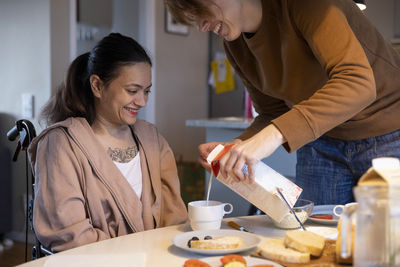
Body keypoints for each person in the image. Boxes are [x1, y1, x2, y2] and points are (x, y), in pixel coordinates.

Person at [165, 0, 400, 205]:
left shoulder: (307, 5)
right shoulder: (235, 46)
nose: (202, 26)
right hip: (321, 140)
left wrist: (273, 135)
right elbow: (272, 112)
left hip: (389, 133)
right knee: (316, 239)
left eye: (202, 10)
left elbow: (358, 83)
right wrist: (236, 147)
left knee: (390, 244)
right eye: (195, 19)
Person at [28, 33, 187, 252]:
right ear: (97, 86)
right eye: (132, 91)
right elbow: (68, 234)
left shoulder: (152, 140)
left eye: (146, 91)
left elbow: (175, 219)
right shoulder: (62, 144)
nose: (142, 102)